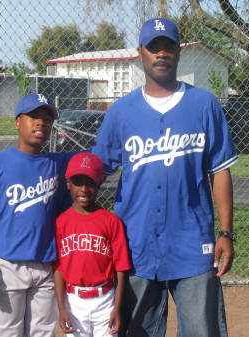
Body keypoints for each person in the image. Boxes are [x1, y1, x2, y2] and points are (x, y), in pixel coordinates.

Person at [92, 18, 238, 337]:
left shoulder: (204, 105)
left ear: (178, 52)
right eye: (153, 47)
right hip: (135, 243)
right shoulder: (122, 111)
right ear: (140, 53)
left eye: (168, 46)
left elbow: (220, 171)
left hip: (193, 242)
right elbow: (92, 173)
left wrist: (226, 232)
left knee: (203, 330)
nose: (161, 54)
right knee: (137, 331)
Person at [0, 93, 72, 337]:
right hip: (6, 266)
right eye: (33, 116)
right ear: (17, 122)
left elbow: (97, 158)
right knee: (6, 332)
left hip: (45, 265)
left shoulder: (58, 164)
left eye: (47, 119)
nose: (41, 123)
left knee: (42, 332)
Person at [54, 152, 131, 337]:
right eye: (78, 181)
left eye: (90, 182)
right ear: (68, 184)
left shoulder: (111, 221)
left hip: (104, 299)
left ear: (99, 184)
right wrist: (62, 307)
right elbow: (58, 268)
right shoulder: (61, 221)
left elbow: (121, 268)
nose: (83, 188)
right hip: (73, 301)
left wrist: (117, 308)